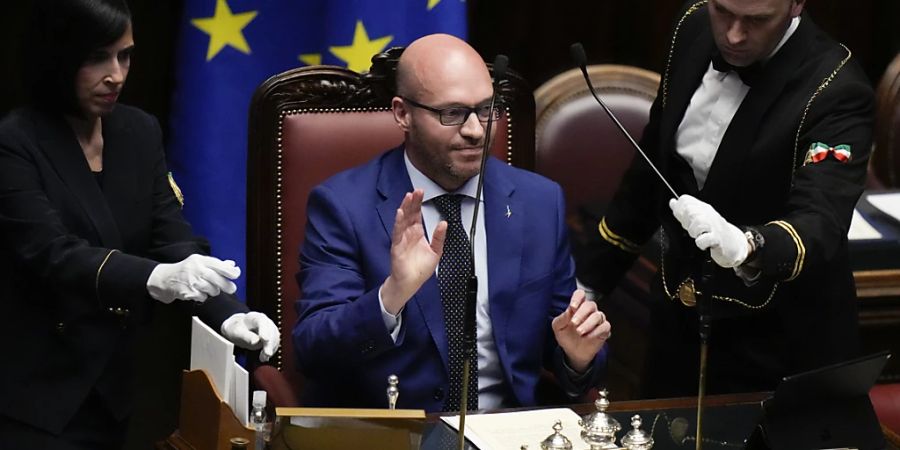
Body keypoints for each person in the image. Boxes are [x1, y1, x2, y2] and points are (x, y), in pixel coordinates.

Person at [0, 0, 280, 447]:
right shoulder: (15, 141)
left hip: (116, 391)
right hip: (37, 396)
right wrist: (156, 277)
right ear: (57, 56)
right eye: (97, 57)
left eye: (125, 55)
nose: (116, 74)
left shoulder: (138, 131)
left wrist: (232, 316)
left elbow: (173, 241)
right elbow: (52, 252)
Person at [292, 34, 611, 412]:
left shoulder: (539, 203)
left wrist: (577, 356)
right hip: (397, 433)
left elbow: (567, 345)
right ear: (402, 114)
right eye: (452, 113)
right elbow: (313, 351)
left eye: (486, 109)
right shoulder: (344, 206)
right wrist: (391, 296)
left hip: (507, 430)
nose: (476, 130)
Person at [580, 0, 874, 397]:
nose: (734, 35)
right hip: (676, 331)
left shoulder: (837, 88)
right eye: (724, 12)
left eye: (756, 20)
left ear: (796, 5)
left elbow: (821, 220)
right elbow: (650, 173)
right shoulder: (693, 25)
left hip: (777, 351)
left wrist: (748, 245)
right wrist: (587, 284)